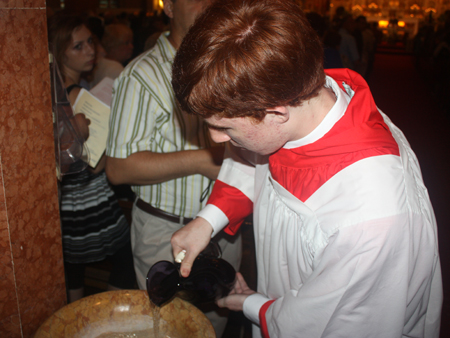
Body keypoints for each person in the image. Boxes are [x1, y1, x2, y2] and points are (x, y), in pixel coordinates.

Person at [170, 0, 443, 337]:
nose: (215, 138)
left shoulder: (371, 215)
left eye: (225, 128)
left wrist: (250, 303)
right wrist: (207, 221)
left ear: (276, 112)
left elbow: (332, 320)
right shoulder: (297, 92)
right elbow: (255, 165)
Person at [105, 0, 242, 336]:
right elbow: (118, 169)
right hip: (164, 235)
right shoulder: (143, 74)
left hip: (225, 229)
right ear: (168, 6)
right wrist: (205, 160)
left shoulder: (231, 64)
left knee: (216, 323)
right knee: (169, 329)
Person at [48, 13, 136, 303]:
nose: (90, 51)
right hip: (89, 200)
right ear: (59, 53)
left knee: (73, 271)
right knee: (126, 262)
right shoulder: (75, 97)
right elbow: (93, 166)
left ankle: (80, 324)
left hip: (67, 204)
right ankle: (104, 320)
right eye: (78, 46)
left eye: (90, 42)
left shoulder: (55, 93)